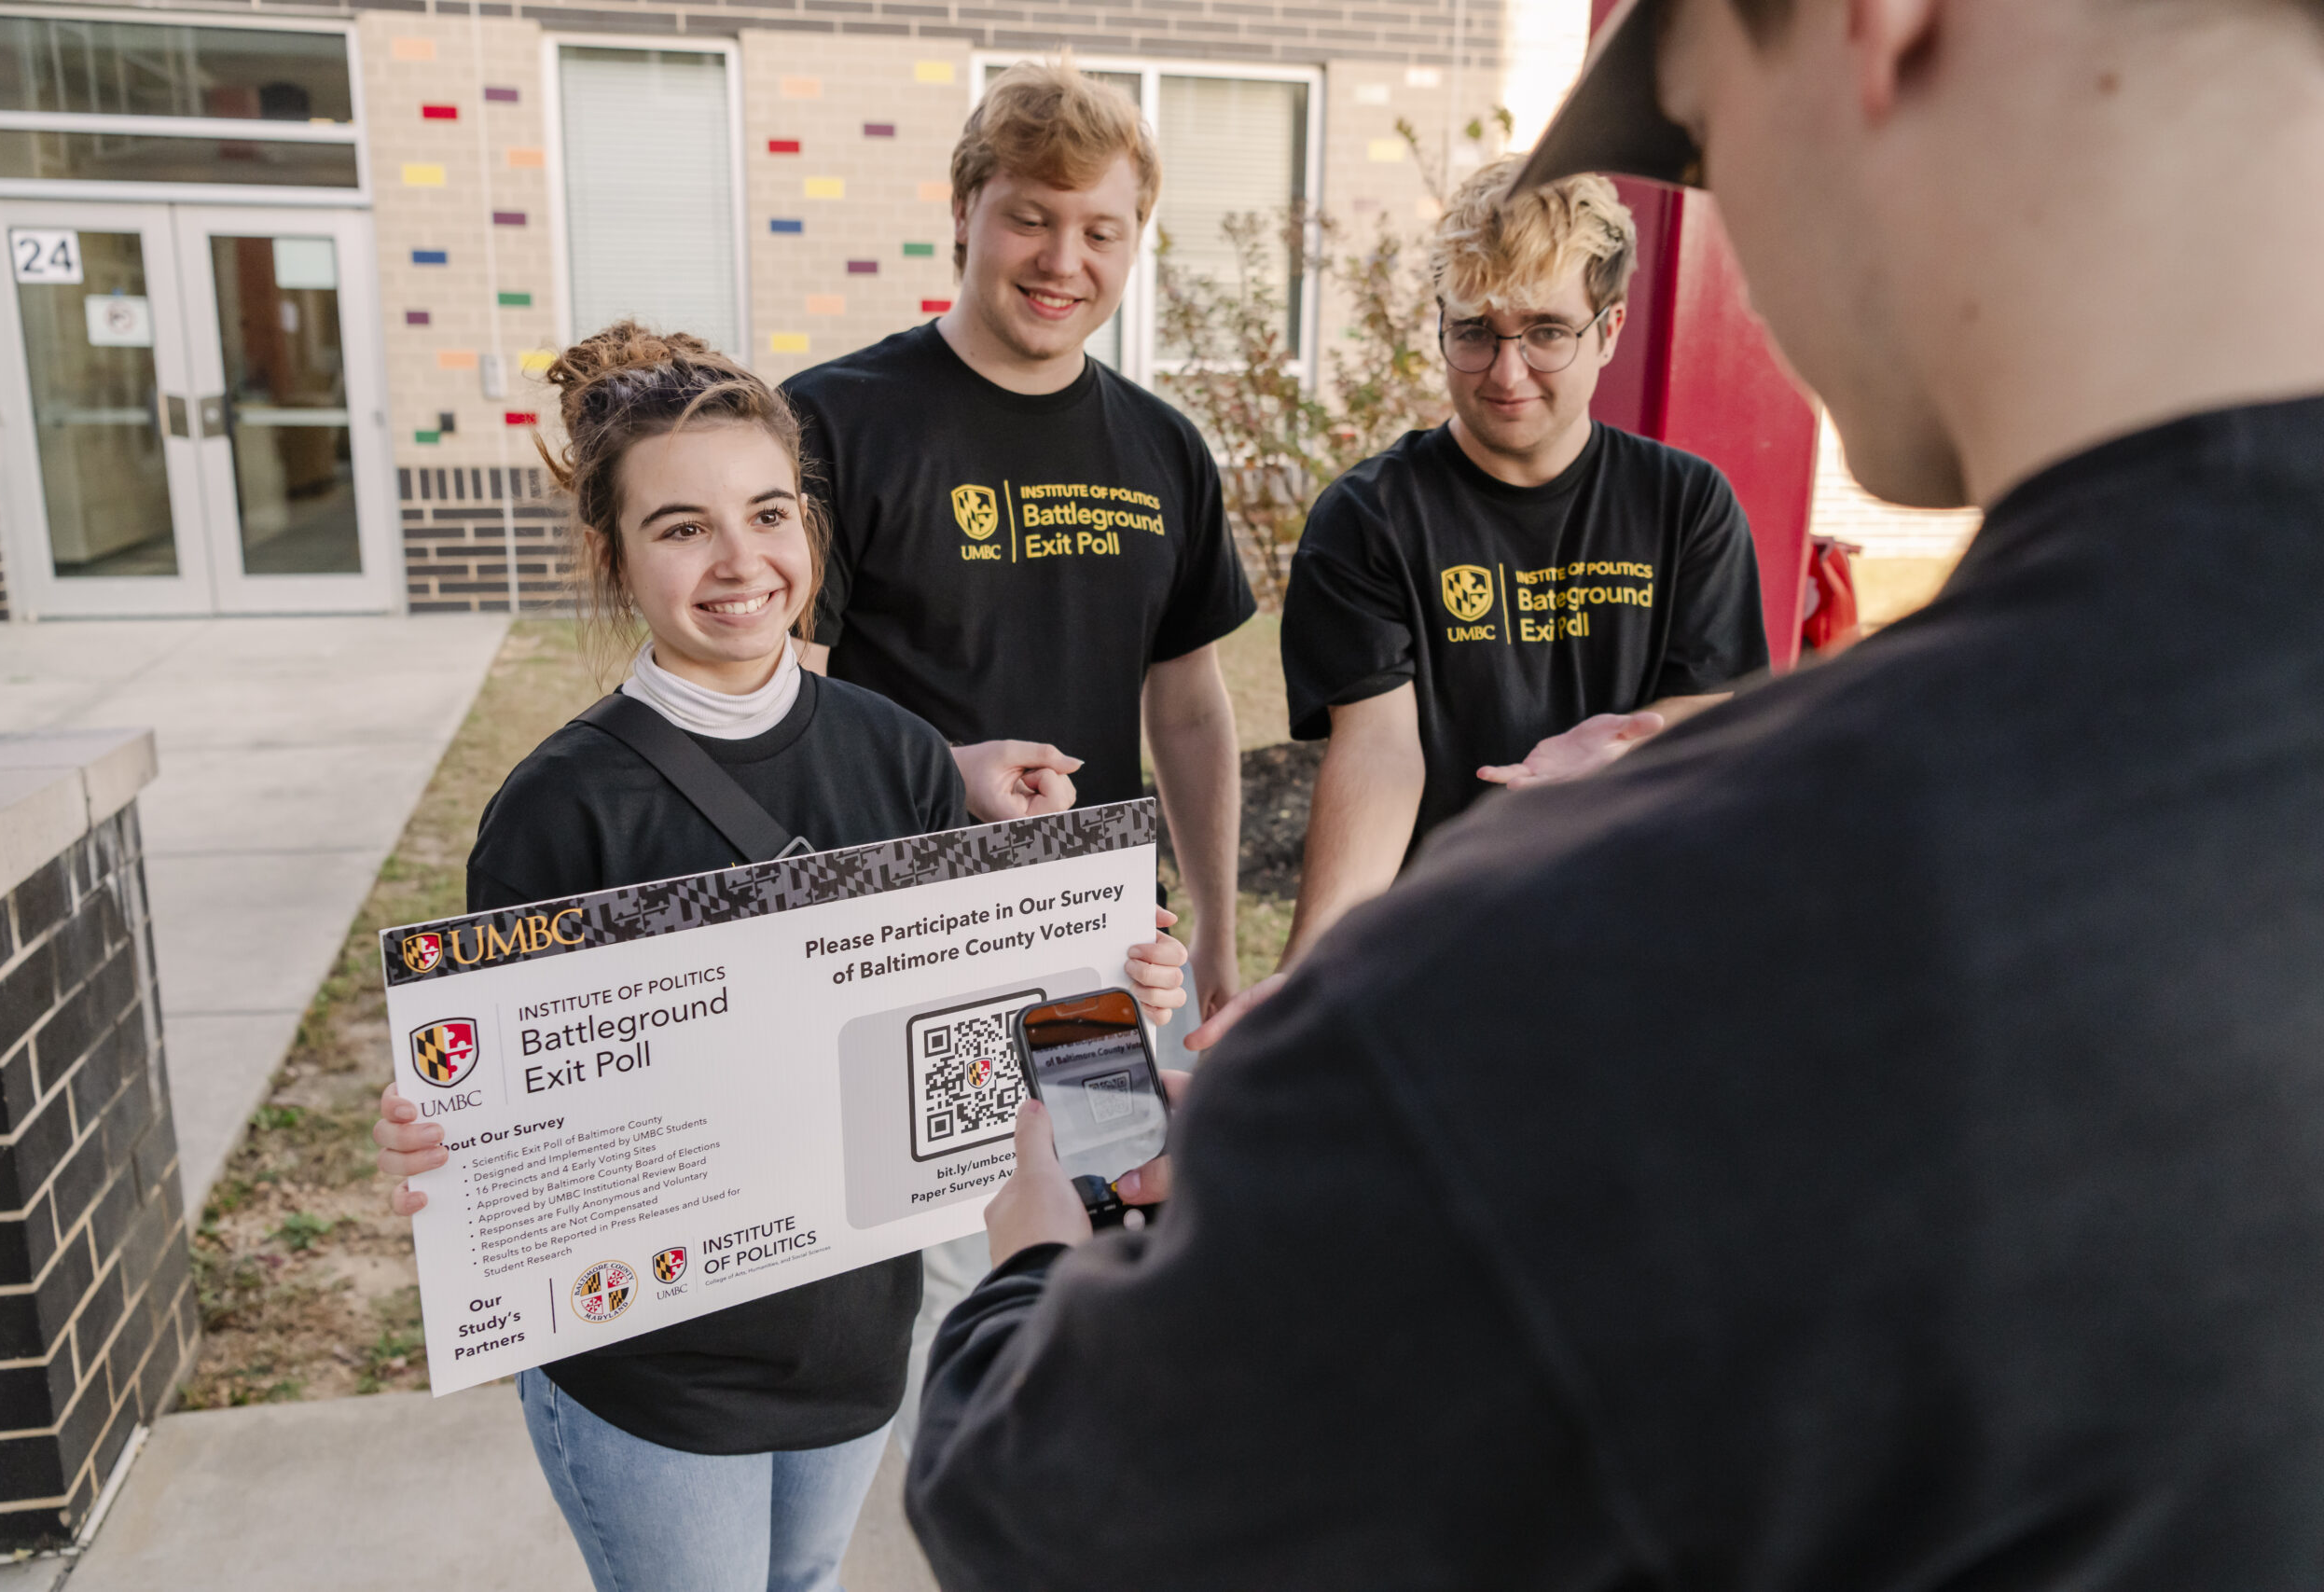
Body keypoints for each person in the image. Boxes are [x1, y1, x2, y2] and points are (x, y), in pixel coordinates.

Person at [901, 0, 2324, 1585]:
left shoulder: (1549, 990)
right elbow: (1386, 749)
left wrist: (1035, 1258)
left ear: (1877, 27)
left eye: (1703, 137)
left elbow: (1048, 1506)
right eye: (1472, 332)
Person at [367, 323, 1185, 1592]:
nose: (740, 560)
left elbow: (965, 1018)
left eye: (767, 511)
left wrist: (1108, 1003)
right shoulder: (561, 807)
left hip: (856, 1331)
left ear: (809, 525)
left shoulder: (900, 751)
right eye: (682, 525)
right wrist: (443, 1137)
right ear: (613, 557)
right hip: (657, 1362)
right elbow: (492, 1094)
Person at [782, 59, 1254, 1021]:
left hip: (1105, 942)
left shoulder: (1165, 447)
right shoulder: (831, 425)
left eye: (1099, 231)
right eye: (1030, 218)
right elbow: (788, 706)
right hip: (889, 935)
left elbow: (1191, 711)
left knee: (1099, 1175)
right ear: (964, 211)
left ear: (1134, 245)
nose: (1061, 260)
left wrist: (1215, 923)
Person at [1275, 162, 1768, 966]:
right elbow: (1379, 753)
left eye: (1545, 330)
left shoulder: (1685, 504)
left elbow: (1706, 714)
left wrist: (1627, 753)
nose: (1506, 373)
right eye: (1475, 330)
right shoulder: (1370, 518)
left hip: (1634, 936)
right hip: (1437, 946)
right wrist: (1311, 971)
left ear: (1608, 330)